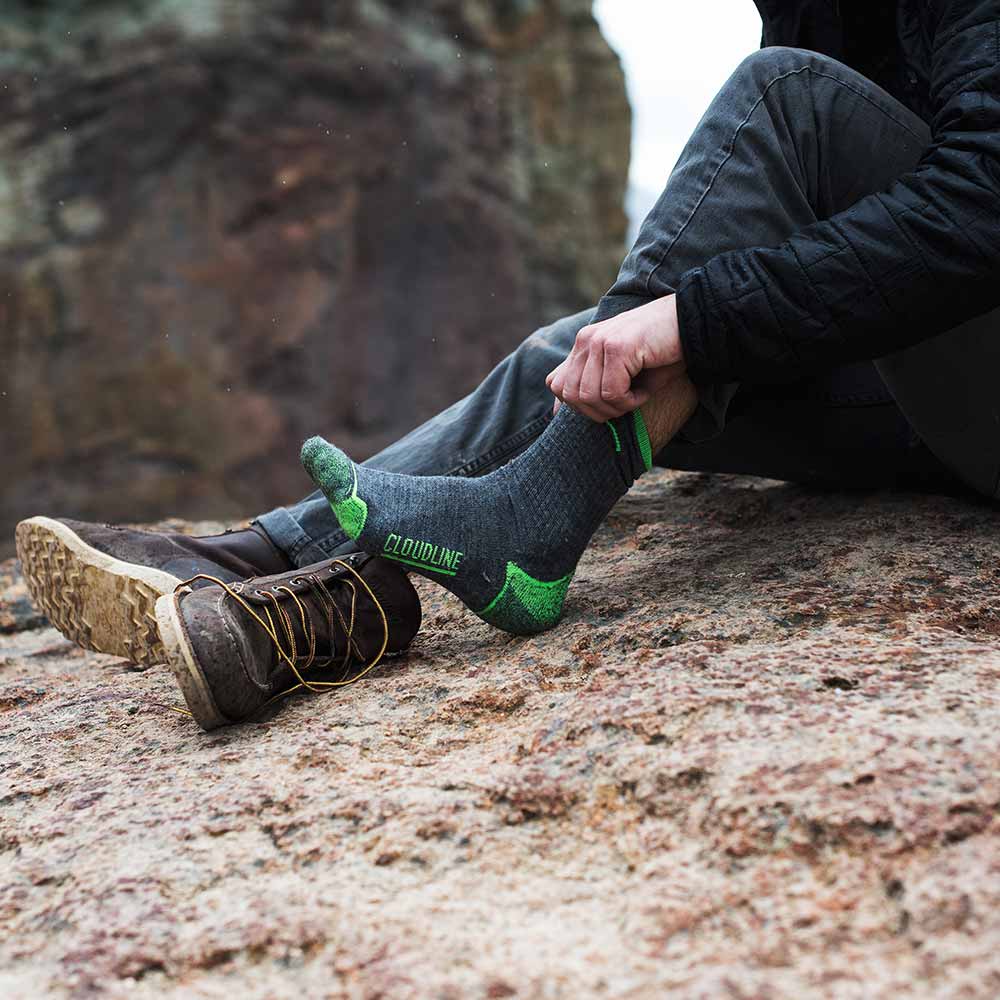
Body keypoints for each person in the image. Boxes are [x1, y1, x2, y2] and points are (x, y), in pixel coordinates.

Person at [16, 0, 1000, 728]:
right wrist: (681, 326)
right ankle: (290, 586)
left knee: (784, 101)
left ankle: (525, 524)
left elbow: (984, 201)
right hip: (934, 407)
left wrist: (694, 321)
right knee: (568, 359)